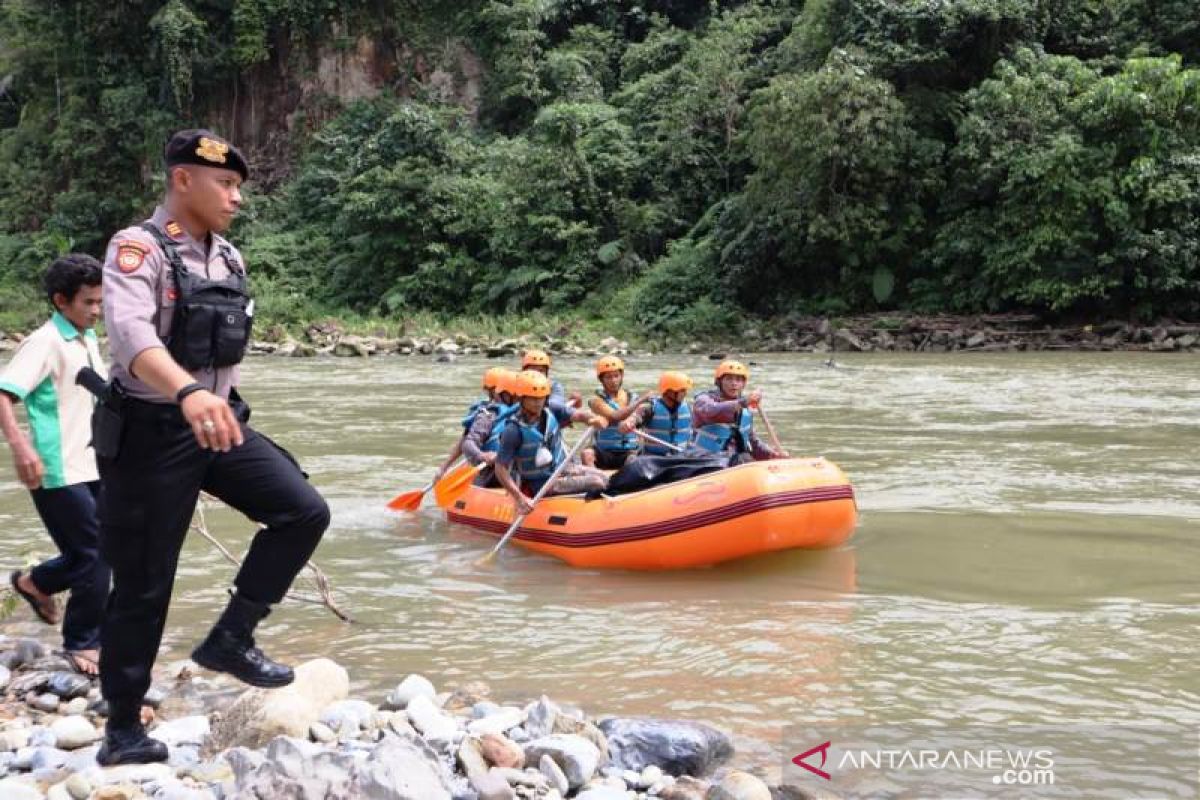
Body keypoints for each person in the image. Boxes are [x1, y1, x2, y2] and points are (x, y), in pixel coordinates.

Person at [94, 129, 330, 765]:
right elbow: (130, 337)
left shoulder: (227, 259)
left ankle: (231, 637)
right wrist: (187, 394)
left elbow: (223, 354)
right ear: (182, 181)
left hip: (218, 424)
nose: (236, 198)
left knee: (301, 509)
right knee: (145, 584)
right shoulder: (137, 250)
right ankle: (122, 728)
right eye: (225, 184)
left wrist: (215, 403)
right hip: (151, 433)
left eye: (238, 187)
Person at [0, 255, 108, 677]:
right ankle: (81, 643)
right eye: (89, 303)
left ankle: (36, 583)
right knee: (93, 554)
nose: (97, 311)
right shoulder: (44, 342)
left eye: (100, 301)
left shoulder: (85, 339)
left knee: (103, 550)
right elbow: (4, 394)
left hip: (93, 464)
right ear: (61, 301)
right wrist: (21, 447)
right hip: (55, 468)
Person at [494, 371, 608, 514]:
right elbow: (500, 468)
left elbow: (579, 414)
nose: (538, 403)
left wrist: (593, 418)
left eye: (541, 398)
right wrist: (520, 498)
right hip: (542, 483)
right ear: (521, 398)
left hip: (564, 469)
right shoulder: (513, 430)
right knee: (596, 482)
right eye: (532, 398)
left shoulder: (551, 410)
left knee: (604, 477)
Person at [691, 360, 787, 463]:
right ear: (719, 382)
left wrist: (771, 454)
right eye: (729, 379)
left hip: (734, 462)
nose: (734, 383)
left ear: (743, 384)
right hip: (704, 460)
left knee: (745, 458)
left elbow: (752, 443)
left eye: (738, 380)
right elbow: (713, 411)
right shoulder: (703, 400)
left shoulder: (745, 410)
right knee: (741, 459)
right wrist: (742, 402)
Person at [434, 367, 511, 480]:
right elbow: (466, 442)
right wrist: (483, 456)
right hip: (490, 471)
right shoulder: (486, 415)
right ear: (492, 391)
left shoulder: (520, 410)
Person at [584, 356, 642, 469]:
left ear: (622, 376)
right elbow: (616, 416)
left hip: (629, 450)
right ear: (601, 380)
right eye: (608, 377)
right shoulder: (596, 401)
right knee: (586, 454)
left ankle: (630, 480)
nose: (613, 381)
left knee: (634, 459)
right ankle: (593, 481)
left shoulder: (633, 398)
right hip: (604, 450)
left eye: (616, 376)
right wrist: (642, 400)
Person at [619, 370, 694, 456]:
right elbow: (632, 420)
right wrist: (627, 424)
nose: (685, 393)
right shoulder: (649, 408)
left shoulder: (688, 407)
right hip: (654, 459)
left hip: (681, 457)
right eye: (682, 390)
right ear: (670, 392)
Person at [461, 369, 519, 477]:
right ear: (505, 395)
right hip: (492, 473)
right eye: (517, 397)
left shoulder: (528, 415)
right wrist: (482, 455)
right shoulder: (489, 415)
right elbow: (467, 443)